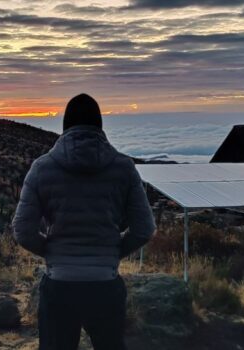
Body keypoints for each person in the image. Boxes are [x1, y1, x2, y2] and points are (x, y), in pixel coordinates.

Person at [12, 93, 156, 350]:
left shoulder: (42, 168)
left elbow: (23, 231)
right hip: (105, 286)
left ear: (65, 126)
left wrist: (52, 252)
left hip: (59, 286)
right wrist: (112, 253)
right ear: (100, 126)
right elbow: (144, 229)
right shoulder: (124, 168)